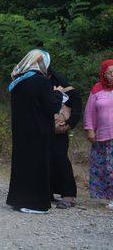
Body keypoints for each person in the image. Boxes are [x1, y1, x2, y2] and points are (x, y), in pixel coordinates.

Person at [6, 49, 63, 214]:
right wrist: (58, 93)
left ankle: (18, 200)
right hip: (38, 131)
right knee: (37, 166)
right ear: (42, 62)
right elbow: (52, 106)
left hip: (21, 130)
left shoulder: (19, 81)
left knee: (22, 165)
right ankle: (35, 203)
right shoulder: (42, 82)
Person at [47, 67, 82, 209]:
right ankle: (47, 191)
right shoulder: (39, 83)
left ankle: (68, 194)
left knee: (60, 158)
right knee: (44, 159)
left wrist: (69, 124)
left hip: (60, 130)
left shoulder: (63, 85)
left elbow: (77, 100)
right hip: (44, 130)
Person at [84, 59, 113, 210]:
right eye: (110, 72)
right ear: (104, 74)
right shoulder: (97, 89)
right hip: (102, 135)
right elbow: (89, 112)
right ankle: (108, 197)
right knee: (105, 168)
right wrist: (90, 129)